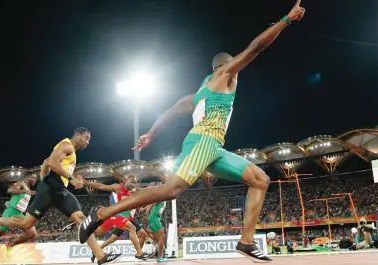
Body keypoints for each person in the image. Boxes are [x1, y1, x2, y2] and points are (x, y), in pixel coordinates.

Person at [79, 1, 306, 262]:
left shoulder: (200, 93)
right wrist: (287, 20)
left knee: (260, 180)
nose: (237, 72)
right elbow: (256, 47)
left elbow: (175, 108)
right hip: (204, 141)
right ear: (225, 66)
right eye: (234, 66)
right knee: (171, 190)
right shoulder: (226, 75)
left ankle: (246, 242)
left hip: (214, 147)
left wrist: (152, 132)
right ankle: (101, 214)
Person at [0, 127, 121, 265]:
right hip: (50, 188)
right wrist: (71, 179)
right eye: (86, 138)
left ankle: (100, 256)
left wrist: (73, 177)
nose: (87, 142)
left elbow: (54, 166)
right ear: (78, 135)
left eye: (89, 139)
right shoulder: (66, 145)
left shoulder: (71, 152)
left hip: (60, 190)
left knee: (82, 220)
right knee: (26, 224)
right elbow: (52, 163)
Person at [81, 176, 148, 262]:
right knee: (132, 228)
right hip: (115, 214)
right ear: (126, 180)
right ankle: (139, 253)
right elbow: (102, 186)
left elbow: (143, 196)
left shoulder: (132, 192)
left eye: (134, 183)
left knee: (97, 233)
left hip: (121, 217)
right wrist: (87, 183)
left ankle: (96, 250)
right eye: (132, 182)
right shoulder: (118, 187)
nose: (133, 185)